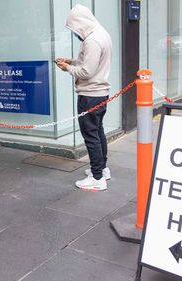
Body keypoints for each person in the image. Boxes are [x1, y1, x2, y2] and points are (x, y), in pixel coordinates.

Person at [56, 4, 112, 191]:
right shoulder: (101, 34)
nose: (75, 32)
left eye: (75, 28)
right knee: (98, 131)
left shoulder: (92, 40)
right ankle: (102, 170)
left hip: (90, 95)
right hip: (100, 93)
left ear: (80, 23)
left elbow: (87, 71)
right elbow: (92, 62)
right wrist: (73, 61)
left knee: (90, 135)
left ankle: (97, 179)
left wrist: (68, 68)